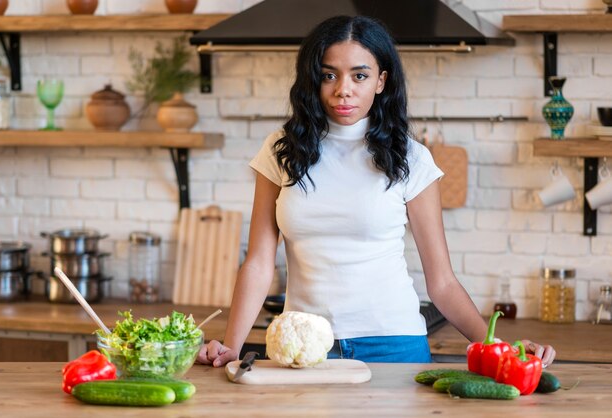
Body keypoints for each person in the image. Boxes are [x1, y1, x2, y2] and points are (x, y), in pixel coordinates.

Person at [197, 15, 556, 366]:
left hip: (395, 344)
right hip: (305, 350)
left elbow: (442, 282)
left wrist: (499, 348)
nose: (343, 89)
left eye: (360, 75)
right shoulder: (282, 150)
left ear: (381, 81)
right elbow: (259, 263)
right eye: (329, 75)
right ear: (313, 80)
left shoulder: (411, 157)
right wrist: (232, 345)